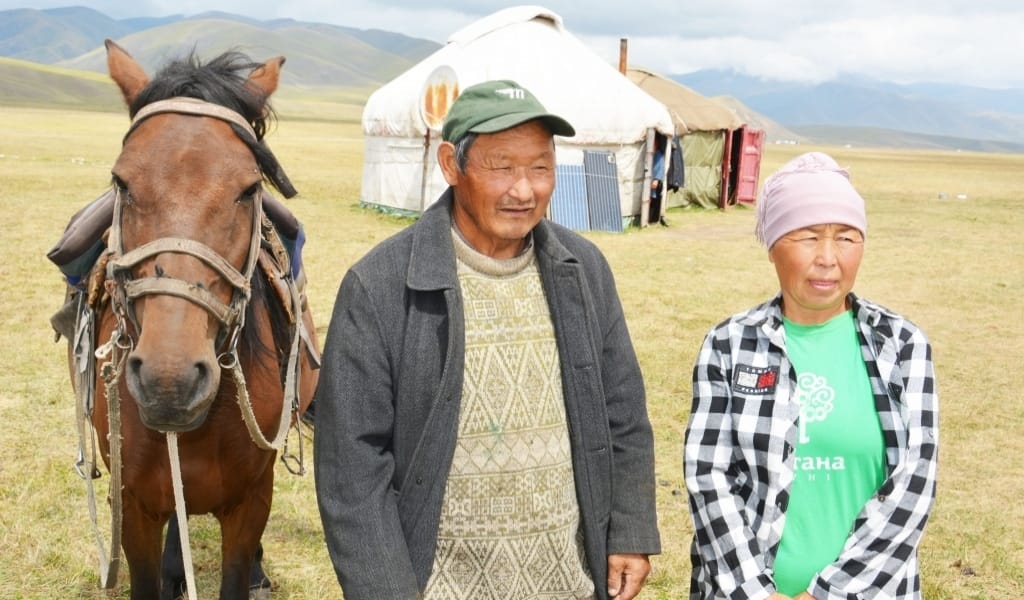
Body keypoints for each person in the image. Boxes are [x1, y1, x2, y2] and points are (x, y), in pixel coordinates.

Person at [314, 79, 661, 600]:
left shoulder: (583, 269)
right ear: (452, 165)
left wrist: (629, 531)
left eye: (541, 168)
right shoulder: (380, 286)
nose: (524, 190)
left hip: (570, 580)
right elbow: (352, 469)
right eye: (502, 167)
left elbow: (624, 412)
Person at [683, 151, 939, 599]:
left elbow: (913, 485)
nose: (828, 258)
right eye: (807, 237)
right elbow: (708, 476)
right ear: (772, 246)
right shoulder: (730, 344)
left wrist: (827, 594)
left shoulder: (901, 345)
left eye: (846, 237)